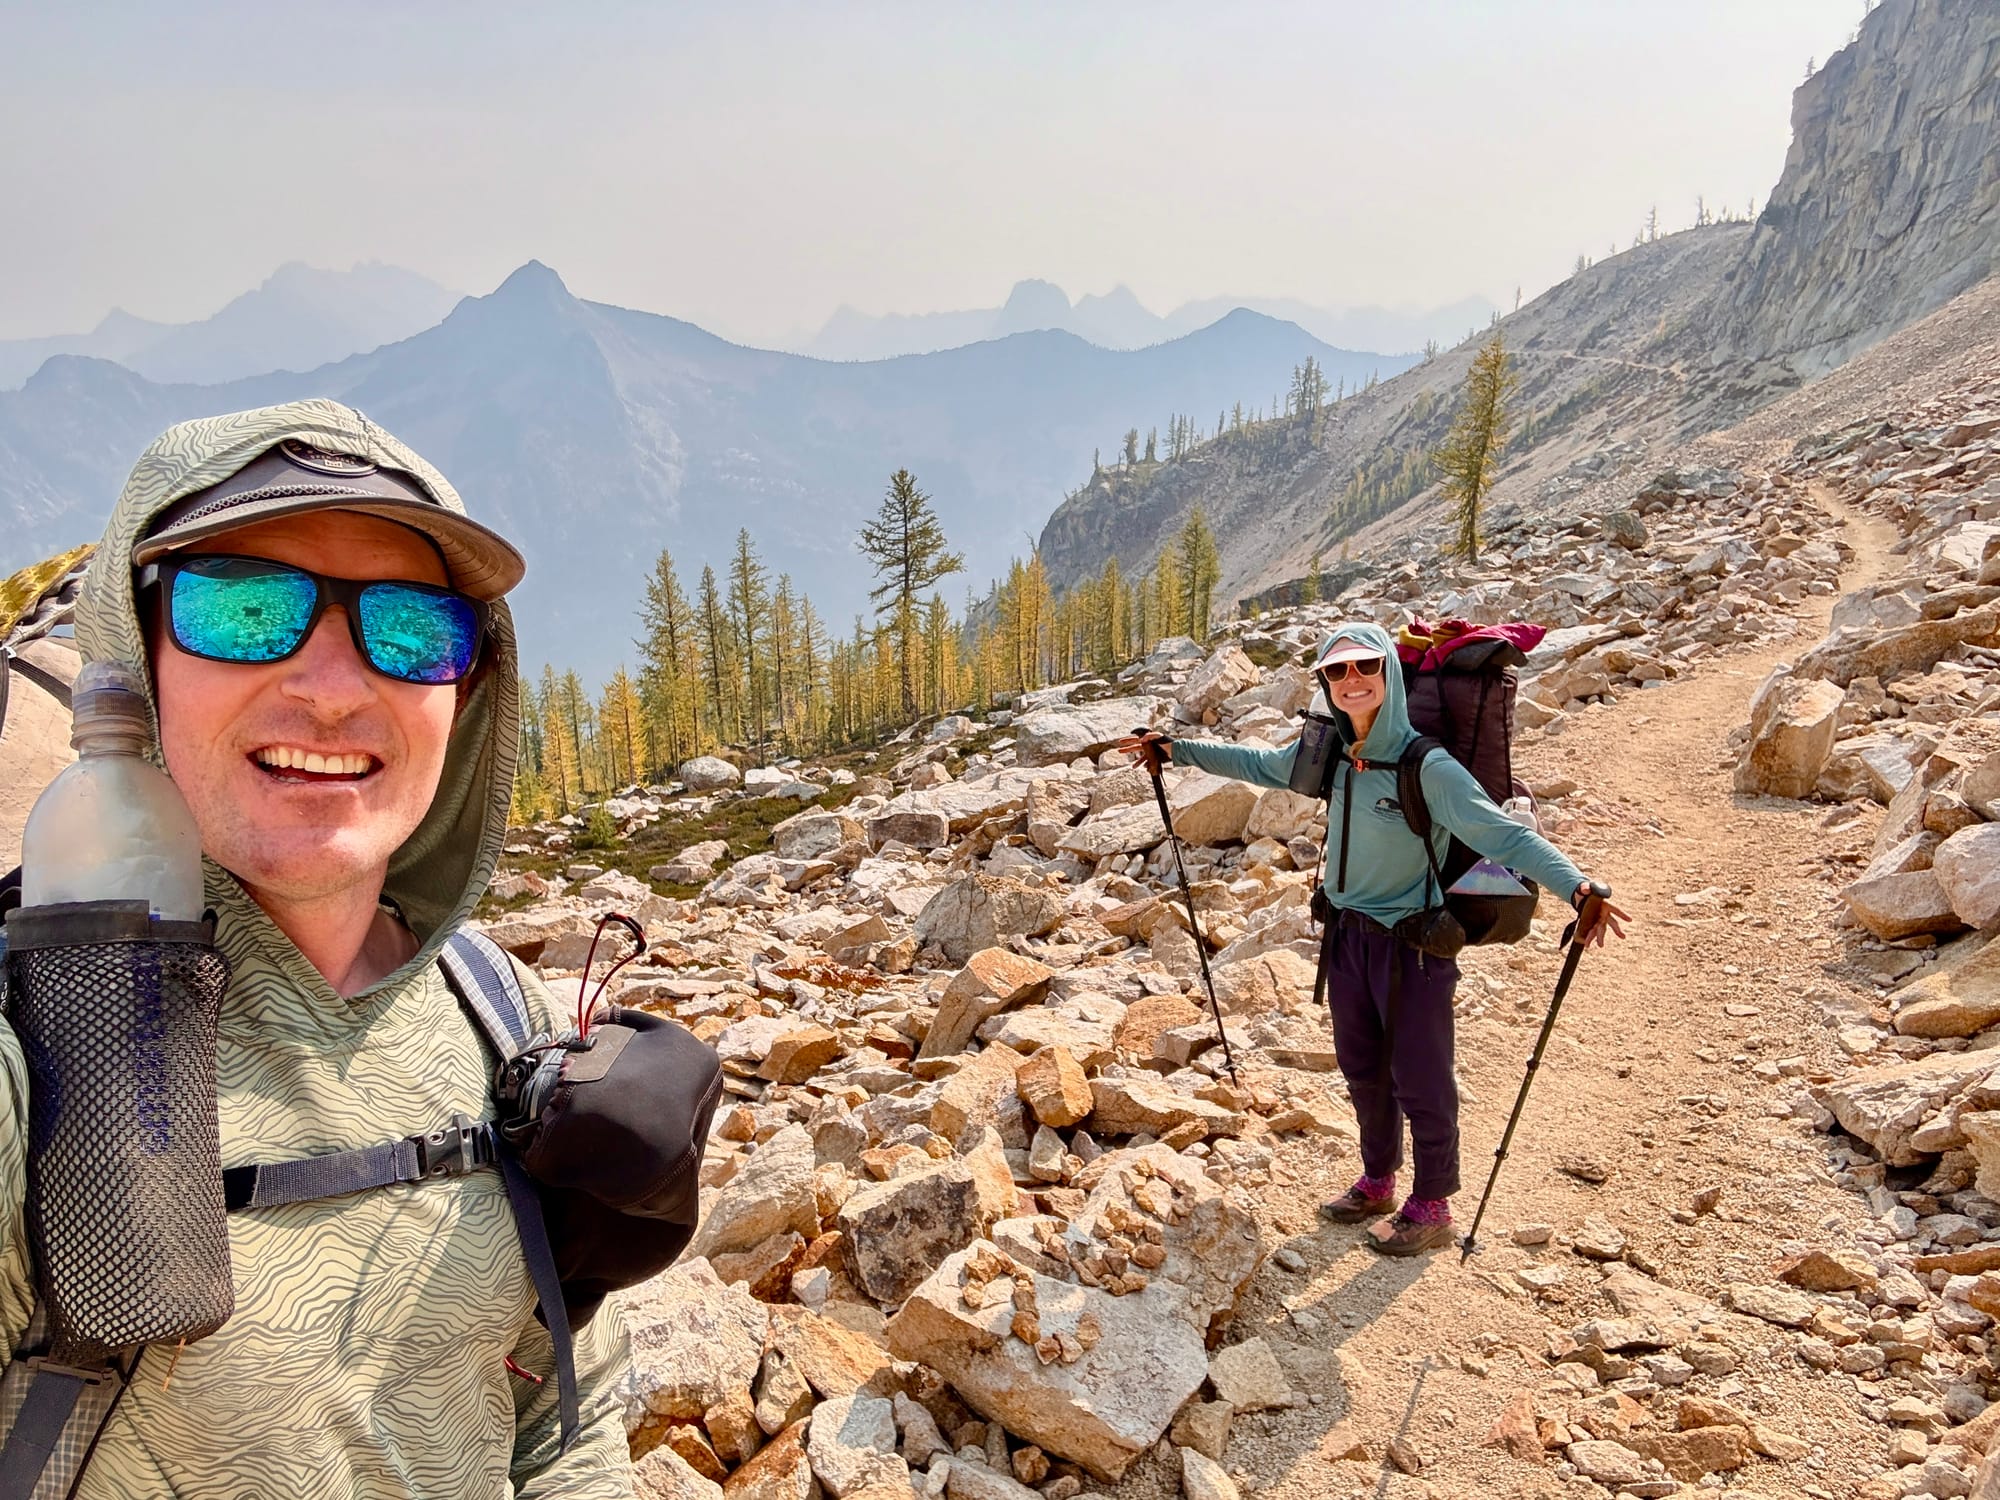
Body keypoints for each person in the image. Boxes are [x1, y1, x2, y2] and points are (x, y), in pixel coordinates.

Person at [0, 401, 637, 1496]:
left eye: (413, 629)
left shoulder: (505, 1018)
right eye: (244, 607)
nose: (335, 689)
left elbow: (569, 1414)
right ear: (135, 659)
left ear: (466, 690)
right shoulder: (38, 1041)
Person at [1118, 621, 1626, 1256]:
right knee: (1363, 1069)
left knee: (1421, 1078)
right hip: (1348, 938)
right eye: (1337, 670)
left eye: (1365, 666)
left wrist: (1577, 888)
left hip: (1412, 946)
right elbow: (1257, 765)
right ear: (1325, 683)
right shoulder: (1332, 755)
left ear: (1389, 672)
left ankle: (1433, 1204)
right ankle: (1379, 1181)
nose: (1351, 679)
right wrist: (1176, 751)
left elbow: (1505, 836)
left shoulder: (1427, 766)